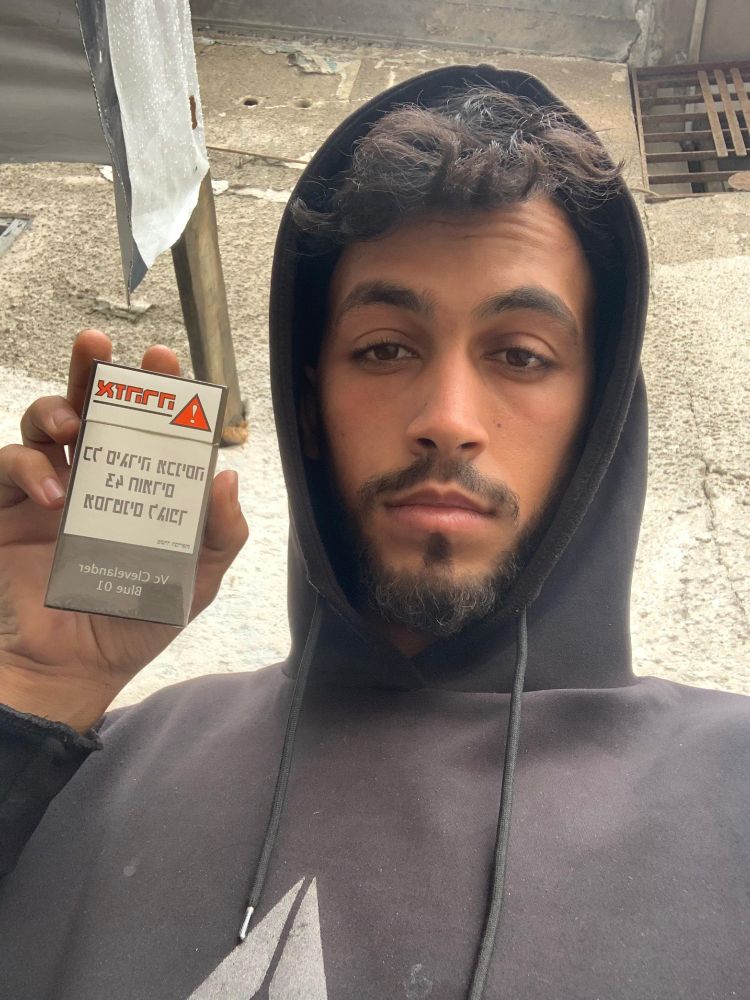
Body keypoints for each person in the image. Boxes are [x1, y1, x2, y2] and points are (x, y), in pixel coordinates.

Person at [0, 64, 747, 1000]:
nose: (446, 417)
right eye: (385, 349)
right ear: (311, 409)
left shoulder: (733, 799)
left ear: (596, 419)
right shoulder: (93, 764)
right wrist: (30, 694)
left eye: (521, 355)